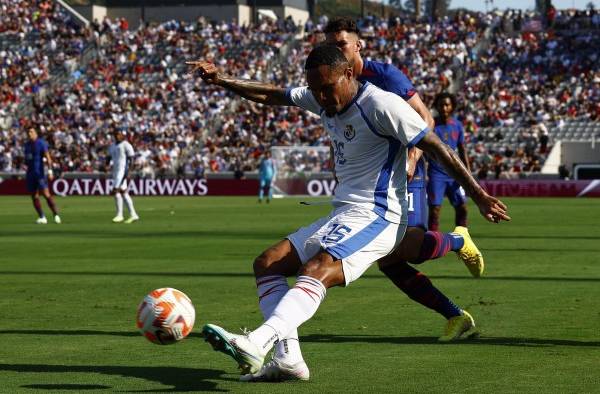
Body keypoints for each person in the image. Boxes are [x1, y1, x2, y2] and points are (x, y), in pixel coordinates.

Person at [187, 44, 509, 381]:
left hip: (380, 215)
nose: (322, 97)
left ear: (349, 74)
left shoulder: (382, 105)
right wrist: (221, 79)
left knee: (318, 268)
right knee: (267, 264)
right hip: (345, 212)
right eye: (315, 90)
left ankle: (258, 340)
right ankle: (288, 358)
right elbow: (273, 94)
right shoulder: (322, 93)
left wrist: (479, 194)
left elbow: (436, 146)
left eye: (327, 88)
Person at [324, 16, 484, 341]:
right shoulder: (336, 81)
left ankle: (457, 241)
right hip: (374, 181)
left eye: (341, 43)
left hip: (406, 175)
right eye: (331, 44)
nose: (335, 49)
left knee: (403, 249)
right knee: (389, 261)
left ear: (358, 45)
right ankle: (455, 316)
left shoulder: (384, 75)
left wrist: (412, 157)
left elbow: (424, 117)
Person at [427, 92, 470, 231]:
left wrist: (467, 172)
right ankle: (432, 242)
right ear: (437, 106)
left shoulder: (457, 125)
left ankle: (463, 240)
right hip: (436, 173)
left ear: (452, 106)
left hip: (455, 173)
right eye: (441, 105)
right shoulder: (431, 125)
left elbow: (463, 150)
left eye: (447, 105)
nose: (444, 108)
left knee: (462, 207)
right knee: (435, 209)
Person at [24, 127, 61, 224]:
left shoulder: (41, 143)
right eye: (28, 132)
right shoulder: (27, 145)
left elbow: (48, 158)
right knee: (34, 196)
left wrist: (50, 171)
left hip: (39, 173)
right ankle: (42, 217)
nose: (29, 133)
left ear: (35, 133)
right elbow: (27, 160)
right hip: (30, 174)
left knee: (46, 194)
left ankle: (56, 214)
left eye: (31, 131)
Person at [107, 130, 139, 224]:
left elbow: (131, 159)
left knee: (115, 190)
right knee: (124, 193)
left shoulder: (126, 145)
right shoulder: (112, 146)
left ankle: (119, 215)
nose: (117, 136)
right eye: (116, 134)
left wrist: (129, 171)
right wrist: (106, 164)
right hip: (115, 172)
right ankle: (133, 214)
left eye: (119, 134)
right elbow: (109, 157)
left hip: (122, 171)